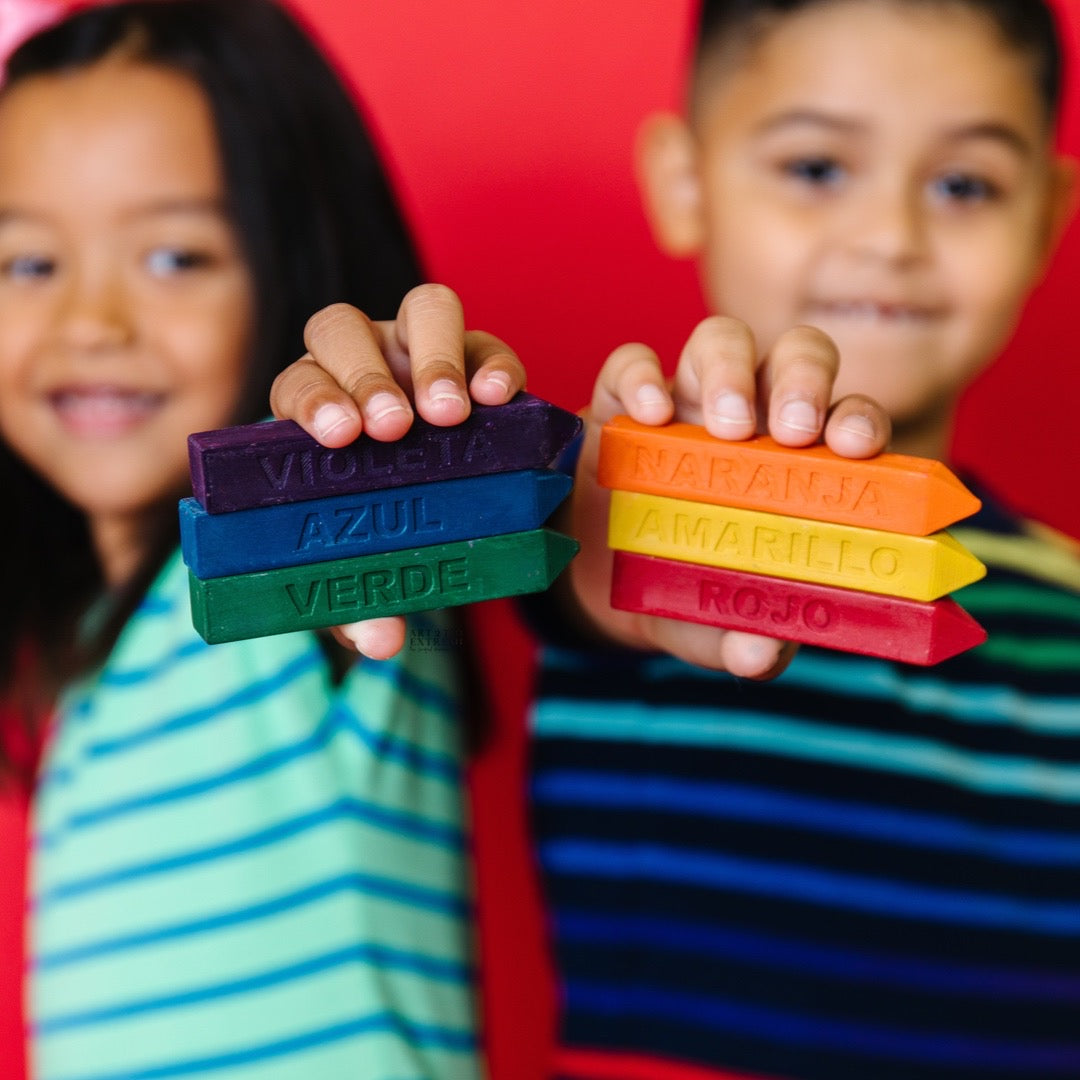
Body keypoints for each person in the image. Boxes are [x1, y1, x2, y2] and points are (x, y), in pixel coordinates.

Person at [521, 1, 1080, 1079]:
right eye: (818, 167)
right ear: (684, 181)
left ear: (1050, 216)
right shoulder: (611, 535)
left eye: (963, 184)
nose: (890, 240)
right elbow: (582, 579)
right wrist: (604, 521)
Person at [0, 2, 531, 1078]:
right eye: (26, 264)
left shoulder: (294, 578)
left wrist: (382, 421)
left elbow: (386, 481)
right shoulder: (96, 659)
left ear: (297, 261)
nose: (91, 323)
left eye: (175, 256)